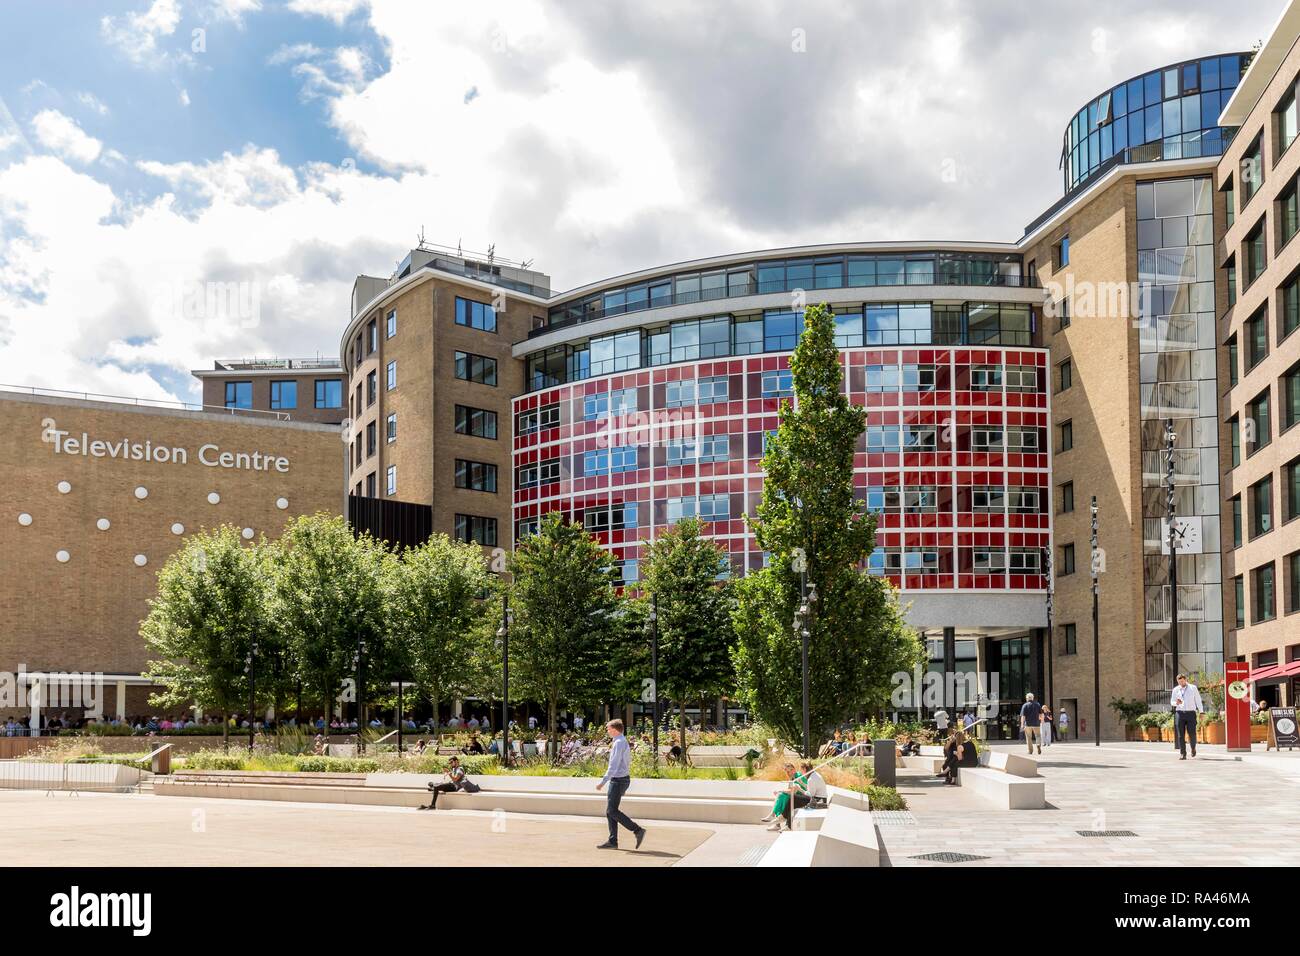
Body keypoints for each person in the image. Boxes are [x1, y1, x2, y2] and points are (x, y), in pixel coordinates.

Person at [595, 719, 645, 850]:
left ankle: (637, 830)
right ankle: (613, 841)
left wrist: (602, 782)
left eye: (608, 729)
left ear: (615, 729)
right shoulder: (621, 741)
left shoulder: (618, 743)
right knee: (610, 811)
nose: (607, 731)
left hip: (618, 780)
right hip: (622, 779)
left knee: (611, 810)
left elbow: (613, 765)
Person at [782, 761, 827, 829]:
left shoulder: (811, 779)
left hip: (818, 800)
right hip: (818, 798)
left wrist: (800, 789)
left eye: (801, 770)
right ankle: (788, 825)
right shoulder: (814, 775)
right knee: (794, 801)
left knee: (794, 798)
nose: (801, 772)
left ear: (805, 769)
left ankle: (784, 818)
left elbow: (810, 795)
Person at [1170, 673, 1204, 759]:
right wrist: (1175, 703)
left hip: (1191, 713)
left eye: (1182, 681)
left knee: (1192, 733)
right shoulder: (1175, 690)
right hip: (1179, 713)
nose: (1181, 683)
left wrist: (1201, 712)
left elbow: (1198, 700)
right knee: (1180, 735)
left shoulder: (1193, 688)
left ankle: (1193, 748)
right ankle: (1183, 753)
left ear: (1185, 680)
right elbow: (1172, 701)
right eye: (1179, 682)